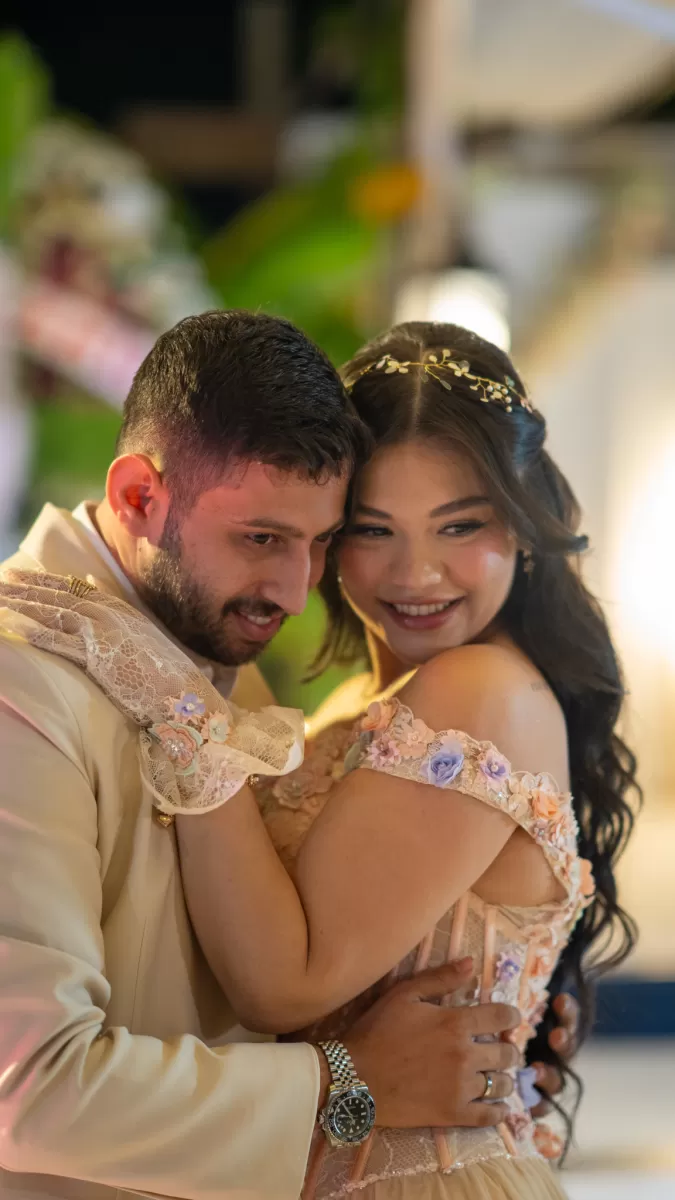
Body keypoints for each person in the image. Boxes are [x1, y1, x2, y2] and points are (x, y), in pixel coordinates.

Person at [0, 311, 574, 1200]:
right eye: (263, 537)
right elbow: (31, 1088)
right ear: (140, 497)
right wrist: (349, 1080)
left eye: (320, 540)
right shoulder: (25, 673)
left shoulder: (221, 663)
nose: (297, 590)